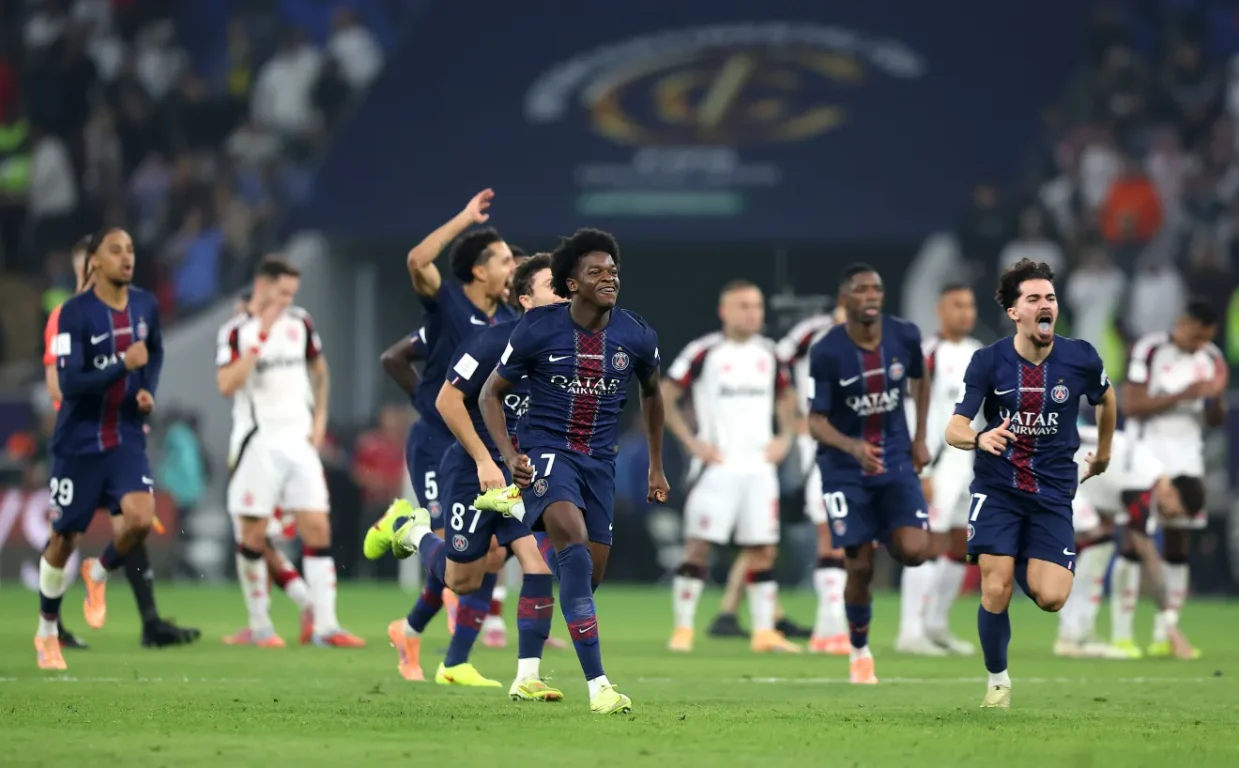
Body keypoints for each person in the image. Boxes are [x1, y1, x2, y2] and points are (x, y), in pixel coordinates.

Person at [473, 228, 667, 715]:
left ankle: (528, 664)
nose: (609, 278)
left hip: (600, 464)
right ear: (571, 283)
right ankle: (599, 685)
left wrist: (656, 468)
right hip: (547, 453)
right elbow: (489, 394)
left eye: (613, 271)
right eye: (595, 272)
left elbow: (654, 395)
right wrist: (509, 453)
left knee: (587, 572)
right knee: (573, 545)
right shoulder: (539, 328)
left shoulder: (636, 333)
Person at [364, 254, 564, 701]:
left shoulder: (563, 352)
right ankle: (412, 531)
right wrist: (484, 461)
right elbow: (447, 401)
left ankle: (526, 676)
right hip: (473, 473)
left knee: (536, 564)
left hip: (519, 477)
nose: (566, 292)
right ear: (526, 299)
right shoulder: (492, 342)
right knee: (462, 580)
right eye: (555, 285)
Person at [945, 258, 1118, 709]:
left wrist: (1103, 452)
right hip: (998, 488)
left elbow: (1107, 398)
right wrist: (980, 437)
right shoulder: (988, 361)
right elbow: (955, 428)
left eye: (1051, 298)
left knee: (1052, 597)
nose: (1046, 305)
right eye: (1034, 298)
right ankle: (998, 683)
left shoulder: (1080, 357)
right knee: (995, 586)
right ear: (1015, 312)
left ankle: (1018, 551)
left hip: (1054, 492)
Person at [41, 237, 200, 651]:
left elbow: (148, 356)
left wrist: (138, 395)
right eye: (84, 267)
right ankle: (51, 627)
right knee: (65, 537)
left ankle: (147, 619)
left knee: (134, 522)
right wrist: (111, 381)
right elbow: (61, 384)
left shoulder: (133, 310)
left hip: (120, 436)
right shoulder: (67, 317)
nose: (88, 274)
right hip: (78, 441)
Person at [216, 256, 363, 648]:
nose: (288, 301)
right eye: (282, 293)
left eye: (292, 294)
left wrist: (320, 420)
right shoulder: (237, 331)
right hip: (256, 442)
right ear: (262, 287)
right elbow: (227, 385)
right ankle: (261, 626)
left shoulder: (300, 323)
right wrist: (260, 337)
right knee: (253, 533)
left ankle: (326, 626)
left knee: (317, 526)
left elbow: (320, 370)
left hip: (298, 440)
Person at [807, 263, 934, 685]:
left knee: (915, 550)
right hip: (844, 467)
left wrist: (919, 438)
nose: (872, 295)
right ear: (845, 299)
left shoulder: (905, 335)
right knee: (858, 568)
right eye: (862, 289)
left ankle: (883, 529)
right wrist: (851, 446)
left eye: (877, 288)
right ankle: (859, 650)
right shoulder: (827, 350)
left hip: (896, 459)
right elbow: (816, 421)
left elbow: (921, 379)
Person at [400, 189, 518, 637]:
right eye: (504, 261)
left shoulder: (508, 319)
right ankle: (407, 531)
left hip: (479, 447)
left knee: (487, 552)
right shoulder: (449, 304)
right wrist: (465, 219)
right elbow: (416, 261)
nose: (512, 268)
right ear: (479, 269)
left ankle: (422, 633)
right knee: (455, 547)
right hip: (436, 442)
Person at [663, 280, 800, 653]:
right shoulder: (705, 351)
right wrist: (692, 443)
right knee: (699, 547)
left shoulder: (771, 353)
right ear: (724, 311)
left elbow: (788, 398)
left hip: (759, 468)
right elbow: (666, 394)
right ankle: (683, 629)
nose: (752, 313)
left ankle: (763, 632)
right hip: (717, 467)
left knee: (764, 548)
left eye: (756, 306)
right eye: (743, 306)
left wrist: (785, 438)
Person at [1117, 299, 1225, 659]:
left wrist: (1213, 401)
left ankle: (1165, 632)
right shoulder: (1150, 349)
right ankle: (1122, 635)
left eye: (1206, 339)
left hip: (1188, 458)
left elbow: (1215, 419)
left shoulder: (1211, 358)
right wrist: (1185, 394)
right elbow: (1130, 405)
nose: (1199, 345)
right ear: (1182, 323)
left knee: (1178, 544)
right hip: (1147, 456)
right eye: (1195, 337)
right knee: (1134, 541)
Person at [1056, 425, 1198, 659]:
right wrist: (1171, 627)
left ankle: (1074, 632)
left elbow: (1105, 482)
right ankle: (1074, 634)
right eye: (1177, 511)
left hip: (1060, 463)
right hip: (1052, 467)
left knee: (1099, 541)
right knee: (1097, 542)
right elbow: (1149, 559)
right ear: (1173, 493)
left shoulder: (1147, 469)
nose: (1171, 517)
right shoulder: (1141, 486)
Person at [897, 285, 981, 656]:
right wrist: (920, 468)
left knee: (963, 544)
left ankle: (936, 624)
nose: (965, 312)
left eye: (970, 305)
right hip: (937, 463)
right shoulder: (927, 354)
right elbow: (909, 412)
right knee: (926, 543)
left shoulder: (981, 352)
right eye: (957, 305)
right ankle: (909, 631)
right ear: (940, 310)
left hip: (972, 463)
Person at [772, 306, 850, 654]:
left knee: (848, 535)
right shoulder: (813, 332)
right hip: (817, 442)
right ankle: (830, 623)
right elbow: (777, 360)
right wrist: (795, 414)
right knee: (829, 529)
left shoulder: (880, 339)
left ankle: (827, 626)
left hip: (857, 444)